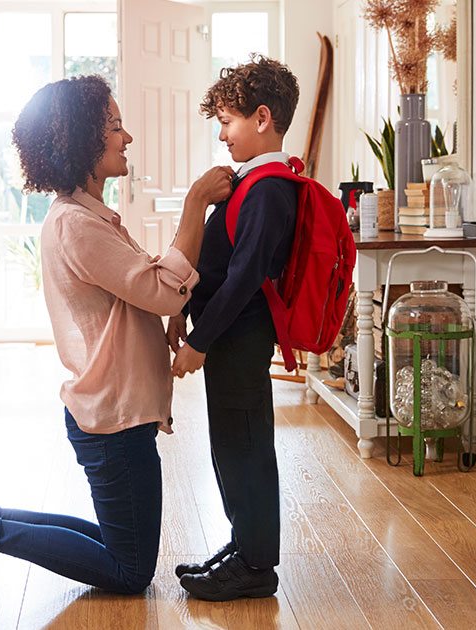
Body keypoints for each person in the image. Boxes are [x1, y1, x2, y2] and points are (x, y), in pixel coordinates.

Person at [0, 74, 235, 598]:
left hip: (113, 413)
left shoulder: (87, 217)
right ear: (81, 142)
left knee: (120, 544)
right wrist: (195, 205)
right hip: (113, 420)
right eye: (116, 127)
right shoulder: (77, 224)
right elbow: (163, 289)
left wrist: (166, 307)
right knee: (130, 569)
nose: (128, 138)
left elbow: (142, 290)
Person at [168, 55, 301, 601]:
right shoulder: (250, 181)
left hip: (240, 338)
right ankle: (244, 545)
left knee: (245, 446)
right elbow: (220, 263)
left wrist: (200, 341)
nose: (222, 134)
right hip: (228, 337)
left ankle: (256, 565)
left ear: (262, 117)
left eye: (227, 121)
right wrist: (184, 307)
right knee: (229, 443)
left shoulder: (270, 188)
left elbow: (245, 276)